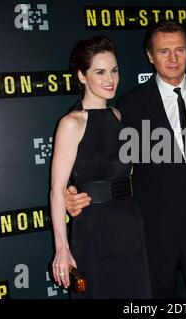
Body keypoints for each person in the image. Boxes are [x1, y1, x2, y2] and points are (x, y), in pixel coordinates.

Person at [65, 21, 186, 298]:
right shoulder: (130, 105)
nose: (173, 58)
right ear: (150, 56)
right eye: (164, 51)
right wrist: (71, 189)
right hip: (153, 222)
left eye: (179, 50)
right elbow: (92, 142)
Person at [50, 35, 151, 298]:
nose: (110, 79)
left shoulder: (119, 117)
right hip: (93, 229)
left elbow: (131, 174)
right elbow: (57, 189)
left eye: (114, 71)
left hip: (129, 225)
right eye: (100, 72)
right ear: (82, 76)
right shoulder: (72, 123)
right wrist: (62, 248)